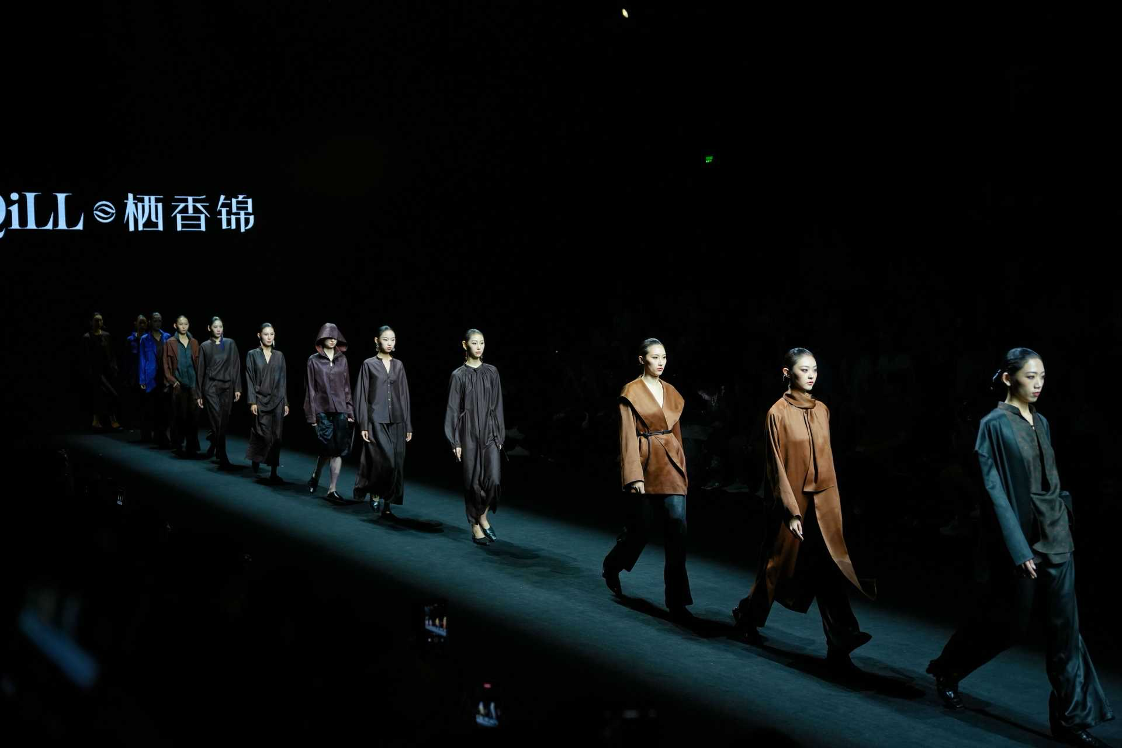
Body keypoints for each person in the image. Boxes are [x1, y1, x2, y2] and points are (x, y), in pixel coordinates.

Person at [927, 349, 1113, 746]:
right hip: (1023, 541)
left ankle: (1069, 719)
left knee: (1065, 631)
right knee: (1009, 624)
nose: (1039, 383)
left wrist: (1064, 519)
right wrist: (1017, 548)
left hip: (1057, 537)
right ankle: (948, 669)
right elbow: (993, 490)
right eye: (1031, 376)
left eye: (1042, 375)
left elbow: (1051, 479)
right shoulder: (992, 425)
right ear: (1009, 378)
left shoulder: (1042, 421)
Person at [732, 348, 876, 673]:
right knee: (775, 566)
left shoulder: (823, 410)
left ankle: (841, 641)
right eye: (804, 369)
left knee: (829, 570)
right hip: (791, 504)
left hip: (822, 506)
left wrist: (835, 504)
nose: (811, 375)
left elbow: (827, 461)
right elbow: (776, 466)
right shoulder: (777, 413)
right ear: (787, 373)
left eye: (814, 369)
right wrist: (790, 510)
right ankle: (748, 615)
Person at [602, 338, 693, 621]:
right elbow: (627, 436)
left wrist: (682, 467)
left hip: (671, 463)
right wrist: (633, 475)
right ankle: (612, 564)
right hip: (644, 461)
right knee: (640, 529)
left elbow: (676, 434)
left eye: (664, 356)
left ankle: (677, 600)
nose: (661, 362)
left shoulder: (671, 391)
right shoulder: (631, 391)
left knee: (678, 526)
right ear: (642, 360)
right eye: (655, 357)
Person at [444, 329, 505, 545]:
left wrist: (499, 433)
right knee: (473, 483)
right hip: (468, 433)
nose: (479, 347)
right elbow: (452, 409)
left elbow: (497, 404)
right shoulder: (458, 375)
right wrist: (455, 440)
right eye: (474, 343)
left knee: (494, 480)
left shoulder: (492, 372)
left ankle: (482, 515)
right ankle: (475, 525)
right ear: (465, 345)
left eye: (482, 343)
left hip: (490, 432)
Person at [353, 325, 412, 516]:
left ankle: (388, 504)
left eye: (392, 339)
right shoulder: (368, 364)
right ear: (377, 340)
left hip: (397, 420)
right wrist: (363, 423)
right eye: (385, 339)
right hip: (376, 419)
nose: (389, 343)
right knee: (384, 461)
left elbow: (404, 396)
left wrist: (408, 425)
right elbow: (361, 395)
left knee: (397, 463)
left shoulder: (399, 365)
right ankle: (375, 492)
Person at [304, 323, 354, 501]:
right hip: (322, 410)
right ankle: (315, 476)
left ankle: (332, 489)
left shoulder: (342, 359)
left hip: (340, 409)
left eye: (335, 337)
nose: (333, 339)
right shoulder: (313, 360)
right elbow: (310, 389)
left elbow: (346, 387)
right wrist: (311, 415)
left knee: (338, 450)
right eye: (329, 336)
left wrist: (350, 411)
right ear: (322, 338)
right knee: (326, 449)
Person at [194, 316, 242, 469]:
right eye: (215, 327)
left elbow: (236, 366)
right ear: (209, 328)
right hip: (211, 387)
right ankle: (223, 455)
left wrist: (238, 387)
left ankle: (214, 443)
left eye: (220, 326)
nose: (218, 329)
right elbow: (200, 370)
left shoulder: (230, 343)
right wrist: (198, 394)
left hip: (227, 386)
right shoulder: (205, 346)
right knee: (216, 421)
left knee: (223, 421)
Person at [245, 323, 289, 483]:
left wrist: (286, 402)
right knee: (262, 433)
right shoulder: (252, 354)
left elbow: (283, 380)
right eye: (266, 334)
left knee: (277, 436)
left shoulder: (279, 355)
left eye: (272, 334)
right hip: (260, 399)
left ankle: (273, 471)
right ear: (259, 335)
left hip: (277, 399)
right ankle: (256, 457)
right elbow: (250, 378)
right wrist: (252, 401)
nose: (269, 337)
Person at [163, 315, 201, 456]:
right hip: (178, 384)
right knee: (179, 416)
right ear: (175, 325)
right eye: (181, 324)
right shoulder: (170, 342)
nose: (183, 326)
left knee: (193, 416)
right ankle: (178, 444)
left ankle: (192, 445)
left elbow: (198, 363)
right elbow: (166, 365)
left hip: (193, 384)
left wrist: (199, 382)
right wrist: (173, 381)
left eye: (186, 323)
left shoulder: (194, 342)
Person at [80, 312, 121, 430]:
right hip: (96, 372)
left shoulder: (107, 335)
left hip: (108, 371)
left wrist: (114, 367)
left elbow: (111, 353)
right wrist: (89, 372)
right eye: (96, 320)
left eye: (100, 320)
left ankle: (106, 420)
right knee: (99, 395)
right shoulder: (87, 337)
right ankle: (100, 420)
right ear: (91, 322)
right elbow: (86, 357)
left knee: (107, 395)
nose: (99, 322)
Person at [148, 313, 172, 448]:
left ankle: (165, 435)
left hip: (165, 375)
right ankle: (157, 435)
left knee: (166, 407)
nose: (158, 323)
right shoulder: (146, 338)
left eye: (160, 321)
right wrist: (143, 379)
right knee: (154, 406)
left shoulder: (167, 336)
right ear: (150, 322)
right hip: (152, 376)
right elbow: (143, 359)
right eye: (155, 321)